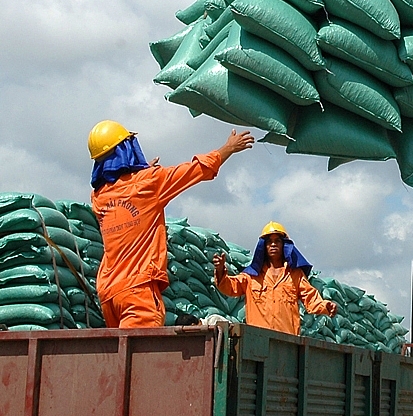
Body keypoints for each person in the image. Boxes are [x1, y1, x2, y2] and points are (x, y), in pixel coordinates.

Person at [88, 120, 254, 328]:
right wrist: (228, 148)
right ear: (127, 149)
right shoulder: (149, 182)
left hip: (108, 292)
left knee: (122, 348)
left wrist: (138, 176)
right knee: (141, 349)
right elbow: (194, 170)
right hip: (138, 289)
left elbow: (126, 199)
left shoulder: (99, 197)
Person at [212, 221, 336, 335]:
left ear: (284, 245)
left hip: (287, 341)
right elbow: (230, 286)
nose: (273, 244)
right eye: (269, 242)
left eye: (277, 241)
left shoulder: (295, 275)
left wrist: (325, 306)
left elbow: (311, 297)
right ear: (263, 246)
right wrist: (220, 270)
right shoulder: (252, 276)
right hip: (257, 339)